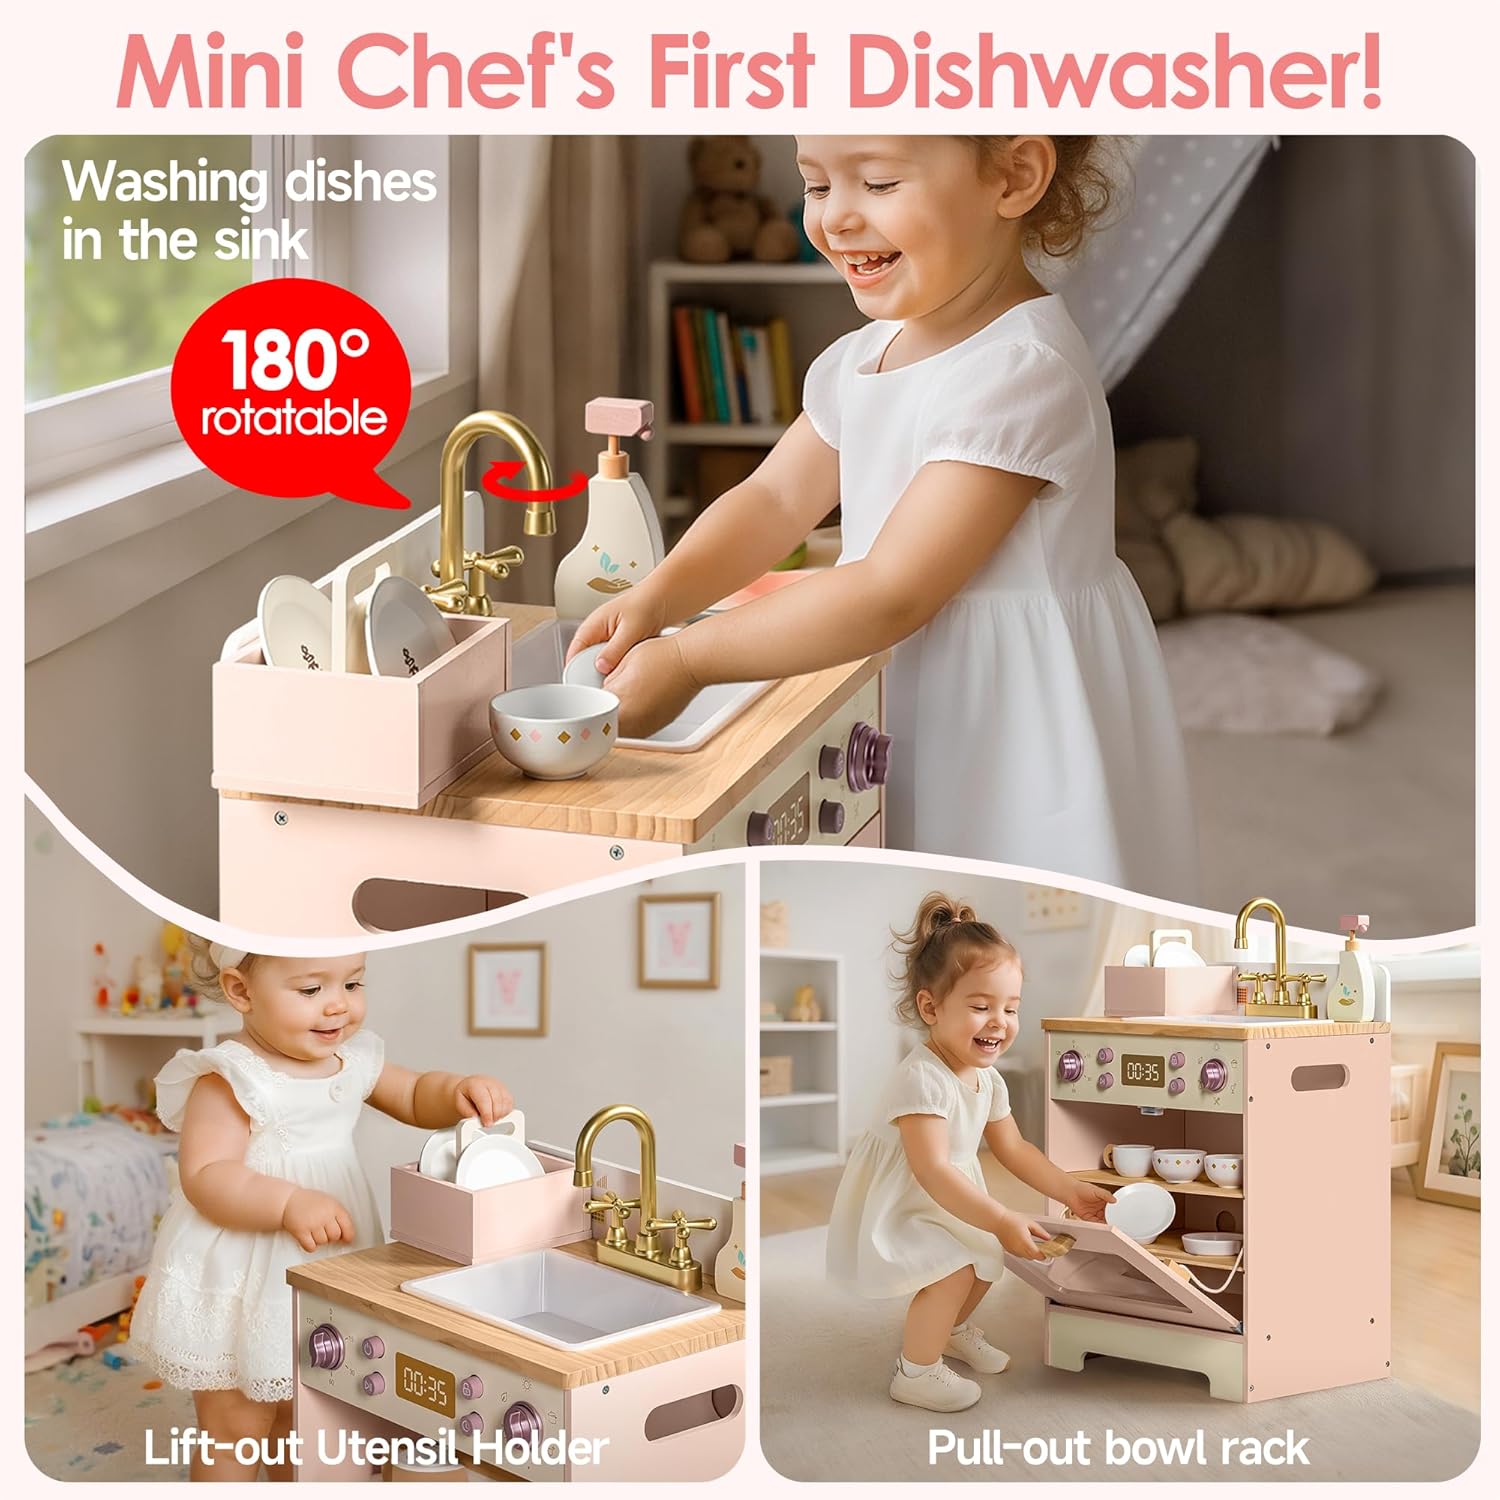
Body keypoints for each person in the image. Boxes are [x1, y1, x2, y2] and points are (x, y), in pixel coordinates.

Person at [570, 136, 1197, 899]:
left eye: (877, 182)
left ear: (1014, 176)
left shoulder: (1022, 371)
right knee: (906, 909)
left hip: (1010, 709)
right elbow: (772, 501)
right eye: (816, 185)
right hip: (904, 675)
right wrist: (659, 596)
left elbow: (895, 590)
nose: (836, 219)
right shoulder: (861, 357)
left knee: (1011, 906)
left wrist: (691, 659)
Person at [129, 944, 512, 1480]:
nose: (338, 1006)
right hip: (246, 1269)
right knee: (236, 1424)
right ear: (241, 991)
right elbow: (206, 1174)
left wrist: (457, 1091)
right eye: (311, 990)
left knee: (311, 1416)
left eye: (353, 985)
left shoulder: (351, 1060)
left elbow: (415, 1094)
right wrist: (286, 1202)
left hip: (327, 1261)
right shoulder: (231, 1075)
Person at [825, 893, 1114, 1412]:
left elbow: (1013, 1147)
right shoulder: (920, 1079)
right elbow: (931, 1168)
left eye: (1011, 1008)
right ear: (931, 1007)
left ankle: (952, 1330)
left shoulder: (986, 1078)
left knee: (986, 1256)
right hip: (907, 1196)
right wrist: (1000, 1215)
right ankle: (915, 1371)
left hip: (948, 1189)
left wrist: (1070, 1189)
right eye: (981, 1007)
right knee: (953, 1268)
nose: (998, 1022)